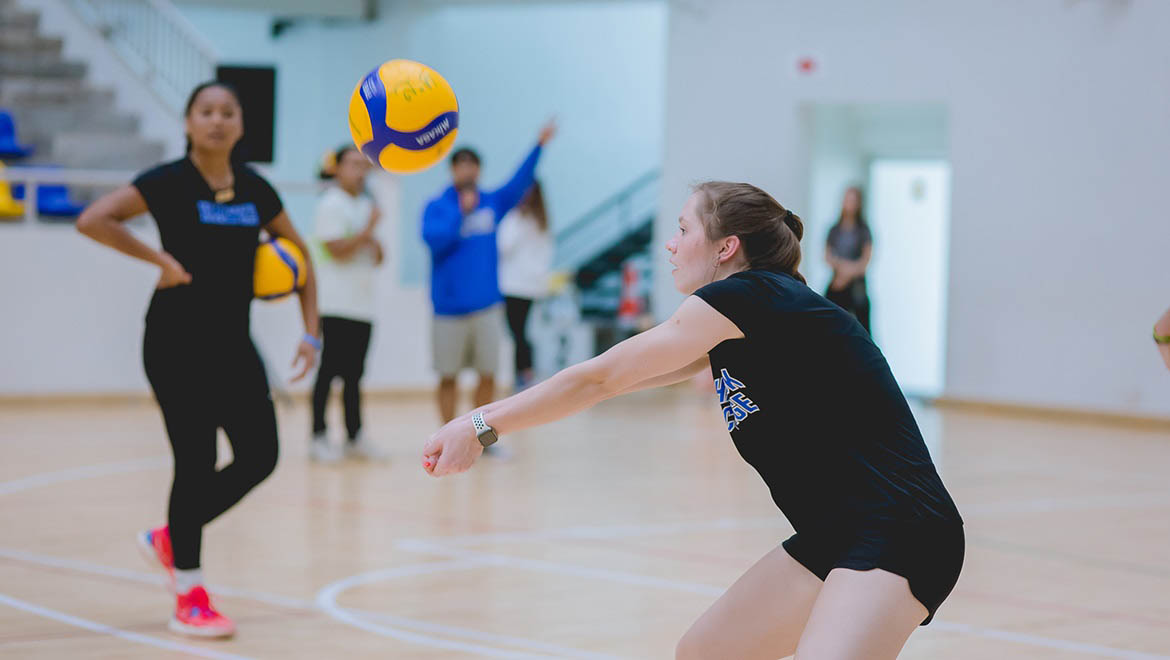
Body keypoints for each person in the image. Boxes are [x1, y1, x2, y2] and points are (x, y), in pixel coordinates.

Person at [422, 182, 964, 660]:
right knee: (707, 651)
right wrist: (484, 423)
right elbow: (609, 384)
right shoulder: (749, 320)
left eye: (684, 229)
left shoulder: (750, 296)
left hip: (901, 530)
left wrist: (479, 426)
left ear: (727, 247)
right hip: (837, 534)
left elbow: (599, 378)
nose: (670, 244)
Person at [76, 81, 320, 639]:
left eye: (227, 112)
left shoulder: (258, 190)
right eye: (205, 112)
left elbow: (303, 258)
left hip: (234, 343)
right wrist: (158, 259)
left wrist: (313, 335)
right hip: (173, 342)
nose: (216, 121)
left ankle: (170, 537)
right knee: (196, 459)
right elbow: (93, 219)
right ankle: (189, 591)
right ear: (188, 123)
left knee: (261, 454)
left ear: (240, 124)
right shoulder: (166, 182)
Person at [421, 120, 556, 424]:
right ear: (453, 171)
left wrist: (539, 145)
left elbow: (519, 182)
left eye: (473, 166)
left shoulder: (492, 202)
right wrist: (461, 213)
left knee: (488, 375)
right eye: (462, 166)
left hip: (486, 307)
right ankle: (448, 435)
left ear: (479, 170)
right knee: (447, 376)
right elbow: (434, 241)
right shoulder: (437, 207)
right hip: (448, 310)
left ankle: (480, 438)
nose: (468, 172)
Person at [309, 144, 385, 462]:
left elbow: (378, 257)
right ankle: (319, 435)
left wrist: (372, 237)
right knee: (329, 371)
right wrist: (368, 231)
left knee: (355, 374)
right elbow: (338, 250)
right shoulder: (331, 204)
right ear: (337, 169)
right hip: (335, 303)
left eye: (362, 165)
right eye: (352, 164)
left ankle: (354, 436)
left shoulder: (365, 205)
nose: (359, 170)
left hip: (362, 306)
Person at [497, 180, 553, 390]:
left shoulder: (518, 220)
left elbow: (503, 246)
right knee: (520, 332)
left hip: (516, 286)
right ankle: (524, 372)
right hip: (525, 285)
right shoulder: (539, 221)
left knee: (518, 333)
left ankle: (524, 374)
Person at [824, 186, 873, 333]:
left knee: (863, 329)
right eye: (847, 199)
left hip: (856, 286)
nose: (848, 203)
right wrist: (840, 269)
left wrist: (847, 272)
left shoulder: (863, 230)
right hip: (837, 284)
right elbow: (827, 256)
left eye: (852, 200)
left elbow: (865, 261)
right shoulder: (834, 229)